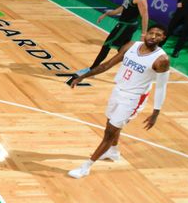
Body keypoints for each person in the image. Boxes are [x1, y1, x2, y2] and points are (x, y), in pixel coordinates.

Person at [67, 25, 170, 179]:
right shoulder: (131, 46)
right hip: (118, 90)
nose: (153, 37)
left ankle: (86, 167)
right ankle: (113, 151)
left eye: (158, 35)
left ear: (163, 39)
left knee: (110, 132)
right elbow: (107, 65)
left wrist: (156, 112)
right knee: (110, 124)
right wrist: (83, 76)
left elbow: (161, 87)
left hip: (134, 97)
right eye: (151, 33)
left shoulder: (161, 60)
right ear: (146, 34)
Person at [87, 0, 149, 70]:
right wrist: (107, 13)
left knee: (107, 45)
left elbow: (145, 16)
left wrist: (143, 34)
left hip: (126, 26)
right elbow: (123, 8)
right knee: (123, 49)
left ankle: (92, 69)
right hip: (126, 25)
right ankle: (138, 67)